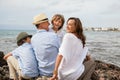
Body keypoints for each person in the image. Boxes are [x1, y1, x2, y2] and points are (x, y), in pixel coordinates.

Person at [31, 13, 60, 80]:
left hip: (42, 73)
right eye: (47, 22)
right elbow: (62, 53)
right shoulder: (53, 36)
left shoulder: (33, 39)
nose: (49, 24)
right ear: (41, 24)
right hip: (54, 73)